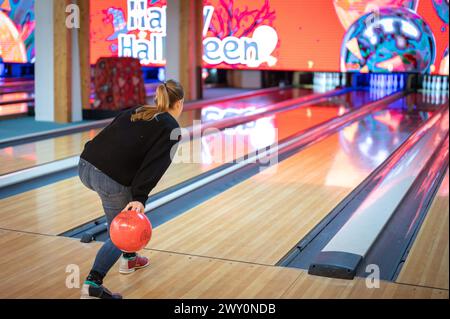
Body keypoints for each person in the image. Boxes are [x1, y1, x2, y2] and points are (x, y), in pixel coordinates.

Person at [78, 80, 184, 299]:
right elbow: (154, 166)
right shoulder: (171, 128)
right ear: (180, 103)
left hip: (85, 165)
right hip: (108, 178)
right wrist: (140, 197)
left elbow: (106, 135)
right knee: (122, 234)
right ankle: (92, 285)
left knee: (123, 213)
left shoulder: (137, 111)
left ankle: (130, 260)